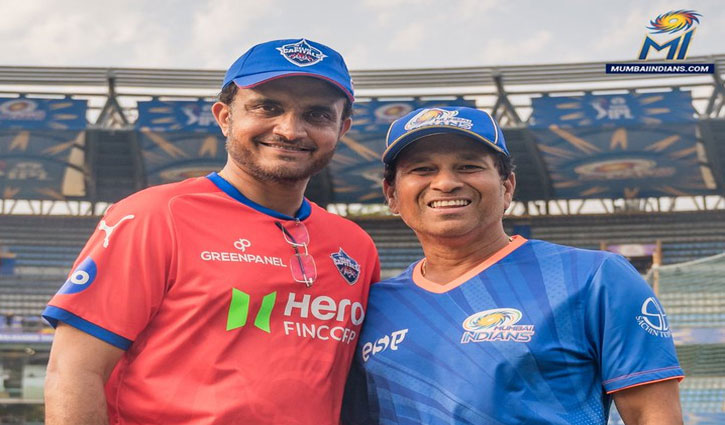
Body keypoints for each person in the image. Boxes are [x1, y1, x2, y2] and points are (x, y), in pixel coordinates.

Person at [43, 38, 380, 425]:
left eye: (318, 115)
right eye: (267, 107)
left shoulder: (355, 246)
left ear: (343, 128)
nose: (290, 130)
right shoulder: (154, 215)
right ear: (224, 116)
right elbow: (73, 371)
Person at [342, 106, 684, 425]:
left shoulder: (595, 278)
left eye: (469, 166)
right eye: (422, 169)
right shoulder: (370, 306)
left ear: (507, 188)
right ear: (391, 195)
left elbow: (651, 415)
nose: (445, 183)